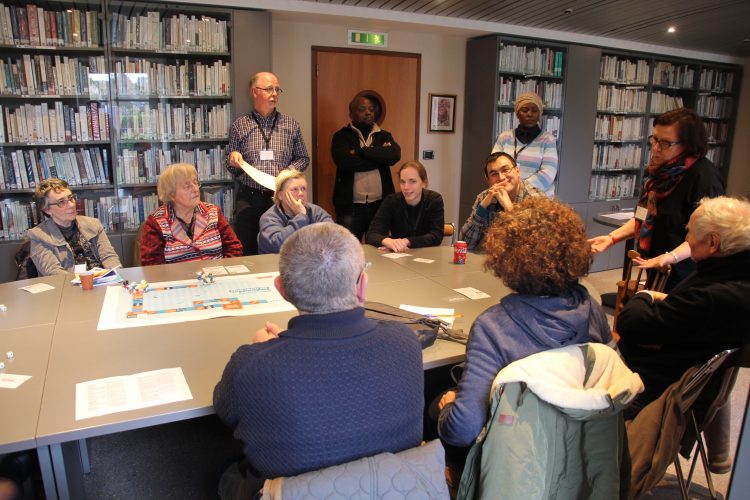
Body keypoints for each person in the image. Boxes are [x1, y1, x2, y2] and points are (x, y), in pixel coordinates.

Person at [213, 223, 424, 498]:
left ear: (281, 290)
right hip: (393, 489)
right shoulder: (406, 342)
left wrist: (266, 352)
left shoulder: (252, 365)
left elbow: (225, 410)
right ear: (362, 287)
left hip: (290, 490)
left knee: (227, 476)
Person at [437, 197, 615, 450]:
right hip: (581, 446)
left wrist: (448, 409)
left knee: (437, 405)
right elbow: (614, 381)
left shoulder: (493, 327)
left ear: (506, 257)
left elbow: (463, 430)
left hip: (517, 455)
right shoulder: (592, 309)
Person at [617, 196, 750, 409]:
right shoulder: (732, 278)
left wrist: (646, 295)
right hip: (698, 390)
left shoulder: (711, 295)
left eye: (690, 231)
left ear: (713, 242)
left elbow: (631, 323)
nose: (686, 238)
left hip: (660, 395)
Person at [588, 108, 725, 291]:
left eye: (665, 143)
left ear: (688, 144)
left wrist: (671, 257)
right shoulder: (660, 173)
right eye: (654, 140)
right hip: (657, 266)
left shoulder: (704, 178)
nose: (655, 148)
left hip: (686, 274)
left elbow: (706, 236)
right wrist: (611, 238)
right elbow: (643, 217)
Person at [227, 71, 309, 255]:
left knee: (281, 249)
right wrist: (234, 161)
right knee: (247, 250)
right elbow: (231, 166)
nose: (275, 94)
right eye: (269, 89)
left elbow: (303, 158)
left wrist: (286, 173)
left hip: (281, 198)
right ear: (255, 91)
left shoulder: (291, 125)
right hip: (250, 197)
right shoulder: (239, 125)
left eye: (277, 90)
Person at [140, 163, 242, 265]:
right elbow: (152, 265)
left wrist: (222, 270)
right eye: (187, 186)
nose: (195, 189)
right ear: (172, 194)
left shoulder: (213, 212)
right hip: (178, 275)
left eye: (195, 183)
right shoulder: (156, 222)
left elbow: (234, 248)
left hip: (215, 273)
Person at [331, 93, 401, 240]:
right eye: (362, 109)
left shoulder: (384, 135)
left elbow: (394, 155)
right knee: (348, 248)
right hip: (350, 208)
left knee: (379, 247)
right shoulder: (341, 136)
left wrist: (359, 151)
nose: (368, 112)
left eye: (371, 109)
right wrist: (379, 157)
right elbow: (345, 162)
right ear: (351, 114)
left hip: (380, 206)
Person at [29, 178, 121, 276]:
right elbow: (53, 272)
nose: (71, 204)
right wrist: (86, 280)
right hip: (68, 283)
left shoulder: (93, 224)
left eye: (71, 198)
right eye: (61, 202)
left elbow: (109, 257)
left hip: (102, 280)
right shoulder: (38, 235)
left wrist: (115, 276)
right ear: (47, 210)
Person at [459, 151, 544, 250]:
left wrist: (510, 209)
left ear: (517, 171)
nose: (501, 177)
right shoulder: (485, 198)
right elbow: (465, 244)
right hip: (493, 257)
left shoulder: (537, 200)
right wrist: (481, 208)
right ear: (488, 180)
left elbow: (536, 248)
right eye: (494, 174)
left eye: (505, 170)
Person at [365, 161, 444, 252]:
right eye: (402, 182)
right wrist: (389, 242)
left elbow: (436, 236)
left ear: (424, 183)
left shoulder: (434, 200)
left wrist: (406, 241)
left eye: (412, 181)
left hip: (427, 254)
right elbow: (372, 234)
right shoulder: (391, 201)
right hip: (398, 255)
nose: (406, 187)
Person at [492, 92, 558, 196]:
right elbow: (493, 166)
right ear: (517, 113)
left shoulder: (548, 140)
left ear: (539, 114)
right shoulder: (504, 137)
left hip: (537, 199)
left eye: (534, 110)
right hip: (507, 196)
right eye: (525, 110)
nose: (530, 114)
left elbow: (549, 173)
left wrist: (519, 189)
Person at [257, 169, 332, 254]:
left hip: (311, 261)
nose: (301, 193)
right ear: (280, 195)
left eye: (303, 188)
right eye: (295, 189)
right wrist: (301, 217)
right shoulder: (269, 218)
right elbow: (277, 246)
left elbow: (333, 236)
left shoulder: (316, 212)